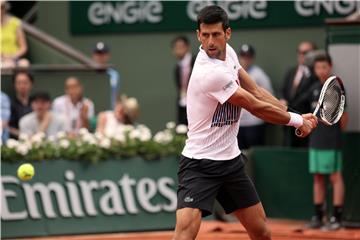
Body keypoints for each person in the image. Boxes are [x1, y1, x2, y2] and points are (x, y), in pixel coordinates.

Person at [173, 6, 317, 240]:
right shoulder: (208, 73)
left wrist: (293, 113)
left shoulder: (229, 53)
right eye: (205, 35)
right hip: (199, 165)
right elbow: (254, 106)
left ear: (227, 33)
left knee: (261, 232)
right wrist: (298, 121)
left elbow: (257, 91)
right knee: (185, 234)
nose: (210, 41)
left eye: (216, 34)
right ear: (198, 35)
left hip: (231, 164)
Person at [307, 53, 348, 231]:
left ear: (330, 67)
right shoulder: (313, 88)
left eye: (324, 67)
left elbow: (344, 119)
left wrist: (334, 132)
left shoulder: (336, 88)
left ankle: (336, 218)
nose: (321, 70)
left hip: (332, 140)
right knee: (317, 177)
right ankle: (318, 216)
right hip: (315, 139)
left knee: (334, 177)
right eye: (318, 67)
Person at [280, 41, 317, 148]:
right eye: (299, 52)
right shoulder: (291, 71)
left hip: (305, 120)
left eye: (305, 52)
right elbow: (283, 90)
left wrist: (291, 108)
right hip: (288, 121)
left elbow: (308, 96)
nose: (301, 55)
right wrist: (282, 100)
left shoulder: (315, 74)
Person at [237, 44, 273, 150]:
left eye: (248, 56)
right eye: (243, 56)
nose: (245, 59)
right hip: (238, 122)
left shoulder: (259, 74)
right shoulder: (233, 72)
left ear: (252, 58)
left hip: (254, 121)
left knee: (255, 152)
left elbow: (269, 96)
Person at [171, 36, 196, 125]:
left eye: (181, 47)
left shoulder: (197, 62)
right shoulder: (177, 68)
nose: (179, 50)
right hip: (182, 104)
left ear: (187, 47)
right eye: (176, 48)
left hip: (196, 105)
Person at [0, 0, 29, 68]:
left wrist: (12, 56)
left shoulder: (15, 23)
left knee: (24, 63)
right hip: (2, 60)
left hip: (14, 59)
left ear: (4, 8)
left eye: (1, 7)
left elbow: (23, 47)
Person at [92, 41, 120, 110]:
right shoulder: (86, 73)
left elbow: (115, 95)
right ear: (93, 55)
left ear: (108, 56)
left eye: (103, 54)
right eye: (98, 53)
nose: (100, 57)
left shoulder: (114, 74)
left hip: (109, 114)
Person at [9, 71, 34, 139]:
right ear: (14, 85)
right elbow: (6, 126)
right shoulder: (9, 103)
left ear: (31, 84)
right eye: (19, 83)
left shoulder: (36, 102)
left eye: (25, 83)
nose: (22, 86)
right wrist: (22, 135)